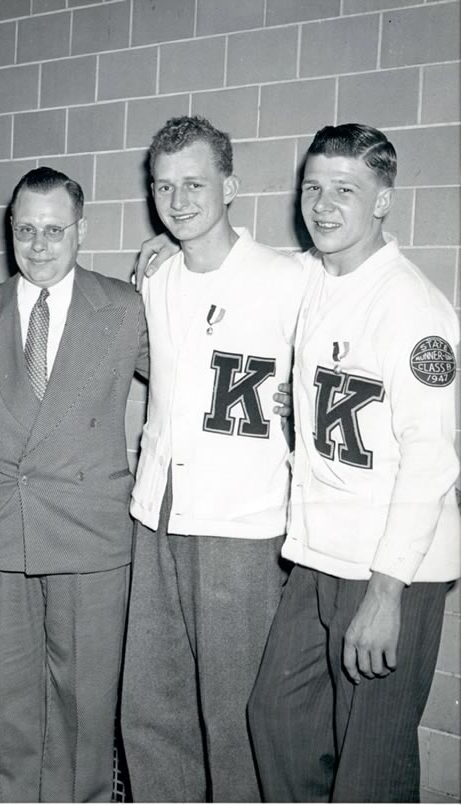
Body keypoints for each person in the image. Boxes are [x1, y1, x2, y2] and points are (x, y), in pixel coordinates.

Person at [244, 123, 460, 802]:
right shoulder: (319, 275)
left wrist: (388, 593)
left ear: (383, 200)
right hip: (320, 553)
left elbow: (431, 460)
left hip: (389, 568)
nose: (323, 204)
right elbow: (253, 267)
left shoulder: (413, 305)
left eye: (346, 189)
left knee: (369, 766)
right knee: (276, 714)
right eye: (313, 187)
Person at [120, 116, 302, 802]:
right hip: (156, 517)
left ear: (230, 185)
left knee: (235, 720)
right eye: (164, 185)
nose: (179, 199)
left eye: (194, 183)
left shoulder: (288, 279)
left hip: (243, 529)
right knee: (151, 709)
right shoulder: (156, 278)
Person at [0, 166, 149, 802]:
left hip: (90, 538)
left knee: (84, 708)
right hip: (7, 535)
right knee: (6, 706)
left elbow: (198, 368)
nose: (39, 245)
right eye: (26, 230)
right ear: (10, 231)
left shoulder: (124, 309)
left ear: (81, 232)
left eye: (55, 231)